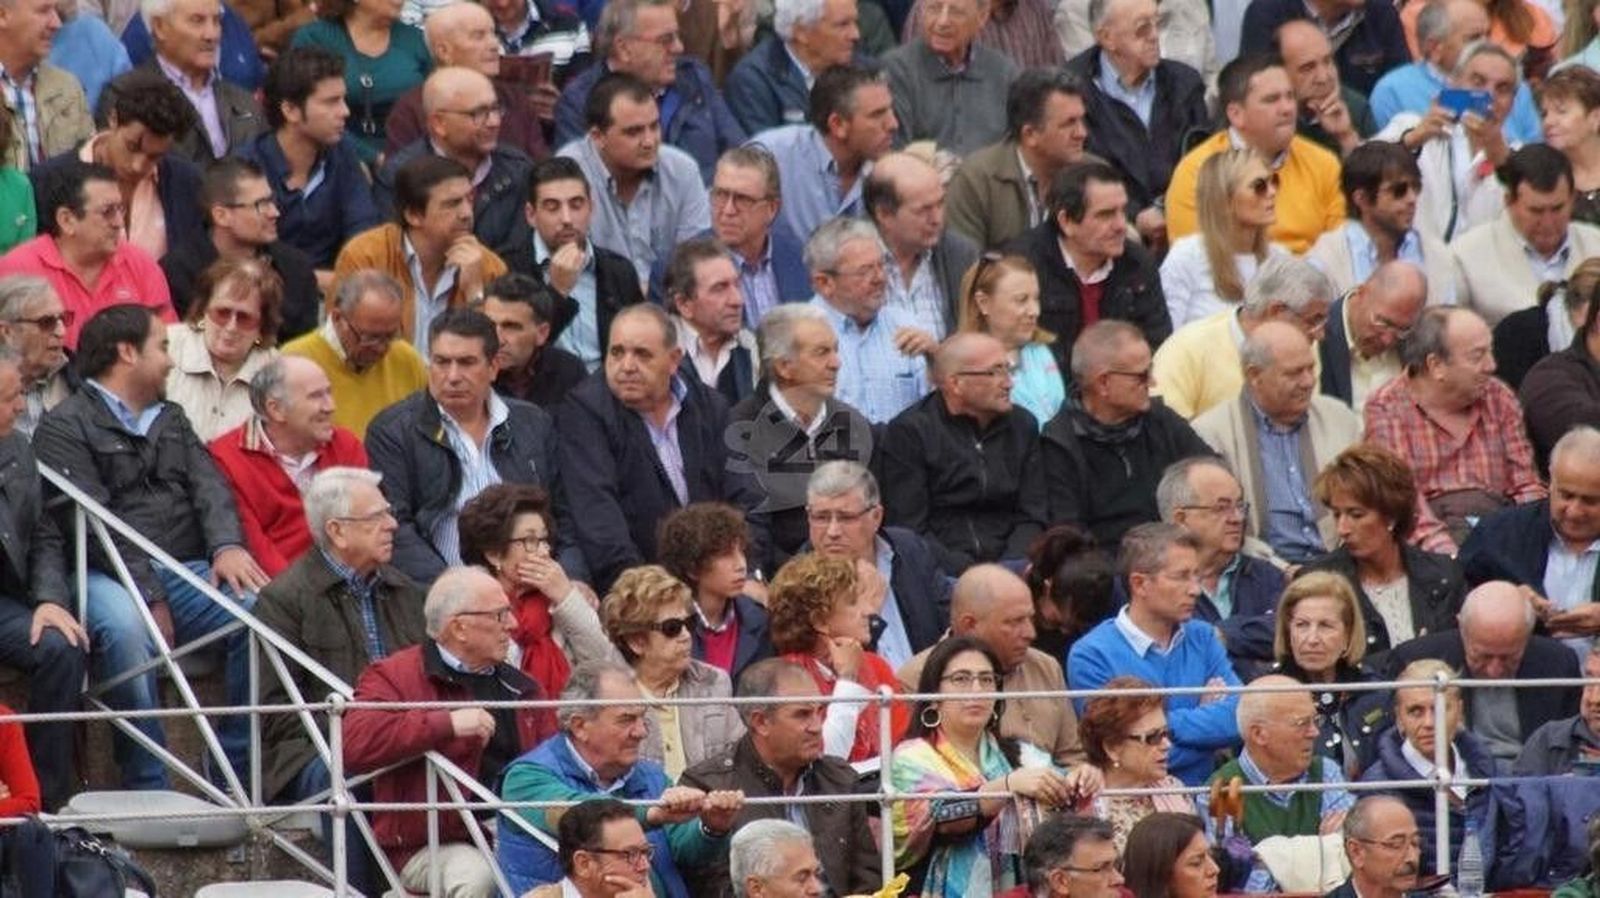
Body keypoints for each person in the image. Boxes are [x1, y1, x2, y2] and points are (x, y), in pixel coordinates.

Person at [33, 303, 269, 791]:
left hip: (182, 568)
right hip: (104, 574)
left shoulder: (172, 416)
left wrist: (227, 545)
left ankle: (234, 770)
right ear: (127, 353)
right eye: (162, 347)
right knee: (126, 629)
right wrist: (150, 593)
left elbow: (210, 487)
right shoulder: (63, 426)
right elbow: (94, 526)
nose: (171, 359)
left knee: (261, 613)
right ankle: (148, 784)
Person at [343, 566, 556, 897]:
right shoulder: (393, 676)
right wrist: (447, 723)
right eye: (500, 615)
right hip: (430, 843)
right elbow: (354, 743)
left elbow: (551, 766)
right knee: (478, 878)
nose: (513, 624)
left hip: (514, 832)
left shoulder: (523, 688)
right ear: (460, 627)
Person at [559, 304, 770, 591]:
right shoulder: (585, 412)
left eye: (642, 354)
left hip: (719, 580)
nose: (627, 366)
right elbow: (600, 523)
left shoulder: (710, 407)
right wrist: (652, 595)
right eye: (617, 352)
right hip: (641, 589)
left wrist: (748, 571)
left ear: (674, 360)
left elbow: (748, 498)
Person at [496, 660, 743, 898]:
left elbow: (685, 851)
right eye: (626, 720)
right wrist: (652, 813)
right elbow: (579, 816)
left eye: (642, 718)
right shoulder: (524, 778)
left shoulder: (650, 775)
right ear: (580, 726)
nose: (641, 732)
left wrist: (712, 827)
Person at [254, 466, 426, 806]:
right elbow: (279, 715)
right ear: (337, 531)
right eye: (376, 517)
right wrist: (366, 734)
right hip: (315, 752)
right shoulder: (284, 599)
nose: (392, 524)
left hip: (406, 739)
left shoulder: (406, 592)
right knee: (359, 774)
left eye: (389, 512)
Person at [365, 307, 575, 584]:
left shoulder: (533, 423)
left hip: (532, 588)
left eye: (466, 362)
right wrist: (455, 587)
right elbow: (395, 527)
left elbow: (564, 518)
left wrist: (574, 578)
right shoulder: (393, 431)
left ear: (493, 367)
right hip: (436, 591)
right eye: (441, 362)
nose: (452, 376)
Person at [892, 635, 1102, 898]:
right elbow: (939, 819)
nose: (977, 690)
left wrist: (1080, 779)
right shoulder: (912, 757)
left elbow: (1058, 786)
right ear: (933, 695)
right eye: (961, 679)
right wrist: (1007, 786)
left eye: (986, 679)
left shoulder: (1019, 753)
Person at [679, 658, 880, 898]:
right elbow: (711, 889)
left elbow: (869, 880)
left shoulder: (839, 779)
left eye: (820, 712)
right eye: (802, 715)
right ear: (761, 722)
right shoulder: (709, 786)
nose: (817, 726)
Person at [1068, 523, 1242, 785]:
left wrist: (1155, 728)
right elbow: (1121, 754)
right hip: (1138, 801)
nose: (1195, 589)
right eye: (1181, 576)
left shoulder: (1203, 637)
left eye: (1196, 576)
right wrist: (1207, 732)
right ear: (1139, 584)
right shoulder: (1091, 655)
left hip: (1208, 795)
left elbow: (1238, 718)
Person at [1363, 306, 1546, 554]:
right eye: (1477, 356)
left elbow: (1526, 485)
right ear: (1436, 365)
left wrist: (1533, 538)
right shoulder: (1387, 407)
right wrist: (1450, 558)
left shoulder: (1498, 396)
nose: (1491, 365)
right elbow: (1404, 502)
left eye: (1490, 351)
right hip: (1428, 546)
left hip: (1499, 531)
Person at [1192, 321, 1361, 563]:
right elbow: (1216, 527)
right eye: (1294, 373)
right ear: (1254, 375)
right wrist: (1281, 570)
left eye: (1310, 368)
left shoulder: (1340, 419)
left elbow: (1366, 502)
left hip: (1343, 563)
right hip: (1260, 569)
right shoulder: (1211, 434)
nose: (1308, 381)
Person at [883, 332, 1048, 576]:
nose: (1008, 383)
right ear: (955, 383)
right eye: (994, 372)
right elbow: (911, 528)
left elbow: (1033, 515)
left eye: (1008, 369)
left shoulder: (1023, 425)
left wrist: (1009, 567)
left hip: (1013, 568)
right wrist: (969, 574)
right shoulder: (911, 432)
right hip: (942, 572)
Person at [0, 342, 84, 812]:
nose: (21, 407)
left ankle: (45, 802)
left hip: (6, 602)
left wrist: (50, 598)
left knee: (61, 644)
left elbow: (44, 533)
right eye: (11, 397)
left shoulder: (17, 447)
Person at [728, 304, 875, 563]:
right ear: (784, 367)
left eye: (835, 350)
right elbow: (752, 529)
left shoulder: (853, 424)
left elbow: (873, 512)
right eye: (822, 353)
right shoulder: (741, 429)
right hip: (784, 576)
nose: (836, 363)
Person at [1043, 321, 1211, 546]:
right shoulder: (1060, 444)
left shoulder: (1162, 421)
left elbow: (1210, 470)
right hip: (1102, 560)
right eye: (1142, 376)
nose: (1152, 382)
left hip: (1177, 549)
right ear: (1103, 383)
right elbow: (1068, 533)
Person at [899, 564, 1086, 765]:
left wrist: (1079, 777)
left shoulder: (1045, 667)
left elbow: (1073, 759)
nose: (1030, 633)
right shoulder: (915, 679)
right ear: (969, 625)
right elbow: (913, 768)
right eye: (1015, 622)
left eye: (1030, 619)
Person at [1383, 580, 1581, 763]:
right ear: (1462, 628)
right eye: (1482, 656)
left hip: (1532, 777)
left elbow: (1570, 746)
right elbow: (1392, 740)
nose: (1494, 671)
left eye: (1509, 658)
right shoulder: (1416, 659)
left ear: (1527, 635)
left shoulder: (1558, 663)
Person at [207, 356, 370, 579]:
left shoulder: (346, 445)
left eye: (329, 393)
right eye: (316, 396)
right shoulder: (225, 458)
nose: (330, 406)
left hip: (351, 581)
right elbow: (256, 548)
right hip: (278, 589)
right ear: (276, 409)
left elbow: (366, 528)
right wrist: (303, 594)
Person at [1165, 55, 1344, 254]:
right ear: (1236, 114)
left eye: (1290, 96)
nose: (1287, 108)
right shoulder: (1197, 172)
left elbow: (1342, 254)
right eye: (1271, 100)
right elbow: (1196, 262)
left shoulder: (1324, 163)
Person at [1001, 160, 1171, 369]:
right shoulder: (1024, 266)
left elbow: (1158, 346)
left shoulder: (1137, 263)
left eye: (1123, 211)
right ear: (1066, 221)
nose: (1121, 225)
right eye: (1106, 215)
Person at [1303, 443, 1468, 655]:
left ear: (1391, 516)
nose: (1342, 529)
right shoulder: (1318, 582)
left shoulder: (1444, 575)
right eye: (1337, 515)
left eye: (1356, 515)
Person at [553, 0, 744, 182]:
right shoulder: (580, 103)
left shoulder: (693, 77)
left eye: (678, 36)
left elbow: (741, 153)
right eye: (666, 40)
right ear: (624, 49)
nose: (679, 47)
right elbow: (578, 186)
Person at [332, 155, 509, 349]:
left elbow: (497, 353)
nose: (467, 213)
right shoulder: (366, 256)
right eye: (452, 204)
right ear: (413, 215)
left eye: (469, 200)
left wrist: (475, 294)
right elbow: (343, 341)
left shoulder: (489, 266)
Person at [1202, 675, 1357, 893]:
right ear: (1259, 734)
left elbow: (1352, 852)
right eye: (1301, 723)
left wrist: (1272, 861)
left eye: (1315, 720)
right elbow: (1238, 879)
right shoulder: (1224, 791)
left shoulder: (1325, 771)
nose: (1315, 732)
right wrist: (1321, 854)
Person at [31, 68, 204, 262]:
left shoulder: (186, 182)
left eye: (155, 156)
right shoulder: (48, 181)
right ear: (113, 119)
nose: (138, 165)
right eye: (132, 147)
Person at [457, 483, 611, 700]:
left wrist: (567, 598)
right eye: (530, 541)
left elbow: (607, 668)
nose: (544, 551)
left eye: (544, 540)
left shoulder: (560, 603)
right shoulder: (472, 612)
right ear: (494, 554)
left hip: (571, 717)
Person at [1066, 0, 1208, 234]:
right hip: (1106, 227)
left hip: (1185, 223)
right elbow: (1076, 172)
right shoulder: (1072, 91)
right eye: (1142, 29)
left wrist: (1167, 209)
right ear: (1107, 38)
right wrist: (1133, 216)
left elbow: (1203, 163)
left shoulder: (1185, 83)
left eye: (1157, 23)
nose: (1154, 36)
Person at [557, 73, 711, 286]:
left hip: (670, 299)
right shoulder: (568, 175)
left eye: (654, 126)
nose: (649, 141)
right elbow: (575, 273)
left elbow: (698, 263)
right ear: (598, 137)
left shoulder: (682, 170)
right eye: (634, 132)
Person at [0, 163, 174, 352]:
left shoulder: (140, 264)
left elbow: (168, 345)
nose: (119, 223)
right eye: (108, 212)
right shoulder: (18, 270)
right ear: (67, 220)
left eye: (121, 209)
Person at [1459, 426, 1600, 658]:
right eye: (1566, 495)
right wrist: (1508, 600)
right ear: (1550, 482)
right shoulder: (1500, 535)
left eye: (1590, 501)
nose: (1574, 511)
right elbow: (1455, 600)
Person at [239, 46, 383, 274]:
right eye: (331, 102)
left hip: (343, 283)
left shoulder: (341, 151)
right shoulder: (248, 166)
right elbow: (249, 257)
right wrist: (318, 281)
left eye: (343, 100)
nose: (345, 111)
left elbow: (363, 230)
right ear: (291, 110)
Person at [1155, 247, 1337, 425]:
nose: (1320, 334)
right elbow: (1165, 431)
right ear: (1276, 311)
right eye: (1313, 320)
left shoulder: (1305, 348)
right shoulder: (1187, 349)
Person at [375, 66, 536, 264]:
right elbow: (393, 257)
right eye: (478, 113)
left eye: (495, 109)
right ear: (439, 123)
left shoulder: (518, 170)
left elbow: (521, 257)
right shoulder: (399, 177)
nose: (494, 122)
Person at [600, 564, 745, 779]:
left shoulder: (713, 682)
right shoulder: (606, 695)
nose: (686, 635)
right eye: (672, 628)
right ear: (637, 641)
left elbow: (741, 763)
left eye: (689, 623)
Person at [767, 551, 912, 764]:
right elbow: (824, 762)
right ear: (820, 620)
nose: (869, 611)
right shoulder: (789, 679)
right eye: (853, 602)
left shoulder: (876, 666)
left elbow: (904, 747)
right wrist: (848, 679)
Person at [805, 460, 952, 668]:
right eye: (821, 517)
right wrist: (870, 615)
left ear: (876, 517)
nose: (833, 531)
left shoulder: (909, 551)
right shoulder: (800, 582)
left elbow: (950, 619)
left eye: (846, 518)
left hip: (932, 683)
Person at [1360, 658, 1500, 875]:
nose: (1429, 723)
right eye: (1415, 711)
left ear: (1460, 711)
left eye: (1440, 709)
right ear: (1399, 717)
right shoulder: (1377, 786)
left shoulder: (1490, 772)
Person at [506, 156, 645, 373]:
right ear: (531, 215)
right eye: (552, 207)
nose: (567, 219)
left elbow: (641, 343)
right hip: (544, 390)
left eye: (576, 205)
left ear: (591, 208)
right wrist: (557, 292)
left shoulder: (618, 271)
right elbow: (517, 355)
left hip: (610, 387)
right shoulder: (509, 269)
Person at [159, 158, 318, 341]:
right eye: (261, 204)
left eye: (272, 200)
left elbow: (304, 344)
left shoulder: (296, 268)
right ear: (221, 216)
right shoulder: (177, 273)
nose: (274, 212)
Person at [1375, 41, 1516, 244]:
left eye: (1502, 89)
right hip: (1413, 258)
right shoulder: (1411, 126)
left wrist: (1502, 160)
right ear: (1454, 84)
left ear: (1513, 102)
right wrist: (1413, 140)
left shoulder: (1520, 156)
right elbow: (1362, 168)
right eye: (1478, 82)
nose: (1489, 96)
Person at [1154, 457, 1285, 673]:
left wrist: (1222, 635)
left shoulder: (1267, 575)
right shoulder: (1151, 582)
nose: (1238, 518)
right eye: (1222, 508)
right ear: (1180, 519)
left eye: (1240, 506)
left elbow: (1287, 631)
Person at [750, 63, 899, 243]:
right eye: (877, 115)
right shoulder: (772, 154)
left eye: (890, 111)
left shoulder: (891, 172)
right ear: (838, 124)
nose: (893, 124)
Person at [1453, 144, 1600, 326]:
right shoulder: (1466, 256)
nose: (1548, 222)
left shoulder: (1596, 245)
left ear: (1572, 199)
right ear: (1509, 202)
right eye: (1536, 211)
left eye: (1557, 209)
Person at [805, 215, 932, 425]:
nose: (880, 278)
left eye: (881, 266)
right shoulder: (799, 335)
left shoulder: (906, 324)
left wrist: (935, 361)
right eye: (864, 271)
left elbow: (936, 410)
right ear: (825, 283)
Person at [381, 3, 549, 162]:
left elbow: (542, 169)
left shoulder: (515, 99)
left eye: (494, 34)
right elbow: (403, 176)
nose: (494, 45)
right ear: (444, 51)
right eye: (478, 36)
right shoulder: (412, 109)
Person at [946, 69, 1091, 251]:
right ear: (1030, 134)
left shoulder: (1095, 176)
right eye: (1069, 123)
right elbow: (966, 263)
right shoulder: (976, 181)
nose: (1082, 133)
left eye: (1081, 120)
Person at [1270, 572, 1393, 778]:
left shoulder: (1376, 693)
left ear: (1348, 635)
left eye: (1325, 626)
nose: (1312, 639)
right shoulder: (1269, 696)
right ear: (1288, 632)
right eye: (1302, 625)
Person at [280, 269, 428, 439]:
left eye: (390, 336)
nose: (381, 348)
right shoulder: (296, 361)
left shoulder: (407, 360)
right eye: (370, 337)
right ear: (337, 318)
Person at [1369, 0, 1543, 143]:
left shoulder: (1510, 85)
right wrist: (1417, 137)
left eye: (1487, 35)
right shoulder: (1393, 90)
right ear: (1435, 48)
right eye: (1474, 38)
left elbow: (1537, 158)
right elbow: (1383, 162)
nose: (1485, 45)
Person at [1308, 143, 1456, 311]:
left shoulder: (1437, 256)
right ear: (1361, 199)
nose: (1412, 198)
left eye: (1416, 187)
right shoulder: (1326, 260)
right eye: (1399, 191)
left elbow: (1445, 319)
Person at [288, 0, 431, 165]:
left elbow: (433, 105)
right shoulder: (315, 38)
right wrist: (371, 157)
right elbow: (308, 111)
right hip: (335, 156)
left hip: (410, 158)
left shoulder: (415, 39)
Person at [1160, 149, 1289, 329]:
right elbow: (1167, 336)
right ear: (1225, 200)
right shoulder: (1186, 256)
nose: (1272, 191)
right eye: (1259, 186)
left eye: (1273, 181)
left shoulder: (1281, 259)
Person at [163, 257, 282, 443]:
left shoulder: (280, 374)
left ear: (262, 325)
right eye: (222, 313)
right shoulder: (165, 347)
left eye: (244, 318)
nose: (231, 327)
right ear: (204, 309)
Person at [865, 152, 980, 342]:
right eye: (923, 210)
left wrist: (937, 353)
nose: (937, 219)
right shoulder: (851, 262)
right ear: (884, 214)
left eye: (940, 204)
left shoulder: (960, 255)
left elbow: (977, 335)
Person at [134, 0, 263, 164]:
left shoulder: (244, 102)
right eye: (197, 21)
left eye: (216, 21)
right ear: (160, 27)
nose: (212, 35)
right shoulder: (131, 99)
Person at [881, 0, 1017, 155]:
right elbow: (895, 150)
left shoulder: (1004, 73)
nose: (942, 22)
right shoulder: (897, 70)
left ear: (982, 16)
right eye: (934, 8)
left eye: (956, 12)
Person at [1077, 676, 1195, 854]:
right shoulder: (1084, 805)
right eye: (1153, 737)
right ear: (1112, 747)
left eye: (1166, 733)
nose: (1167, 745)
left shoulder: (1175, 790)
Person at [657, 502, 774, 681]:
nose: (741, 565)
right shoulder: (669, 627)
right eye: (726, 555)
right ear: (692, 568)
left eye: (742, 551)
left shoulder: (761, 620)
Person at [703, 145, 811, 323]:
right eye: (720, 195)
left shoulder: (799, 258)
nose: (728, 210)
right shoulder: (686, 265)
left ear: (772, 208)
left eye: (742, 199)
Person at [959, 253, 1065, 427]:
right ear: (983, 303)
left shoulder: (1041, 350)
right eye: (1021, 300)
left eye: (1036, 299)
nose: (1035, 311)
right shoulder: (967, 368)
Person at [724, 0, 861, 134]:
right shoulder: (754, 80)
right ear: (802, 32)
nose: (856, 34)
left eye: (855, 22)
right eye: (842, 25)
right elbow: (764, 147)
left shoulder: (861, 70)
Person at [1313, 260, 1431, 414]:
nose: (1388, 339)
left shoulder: (1415, 342)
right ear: (1361, 293)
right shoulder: (1317, 333)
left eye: (1402, 329)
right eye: (1382, 322)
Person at [1238, 0, 1408, 97]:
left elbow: (1401, 90)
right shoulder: (1269, 13)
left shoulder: (1381, 12)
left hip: (1364, 136)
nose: (1323, 77)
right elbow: (1259, 94)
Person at [0, 0, 92, 172]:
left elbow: (89, 173)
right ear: (2, 15)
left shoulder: (68, 89)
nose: (56, 23)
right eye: (43, 11)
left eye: (55, 10)